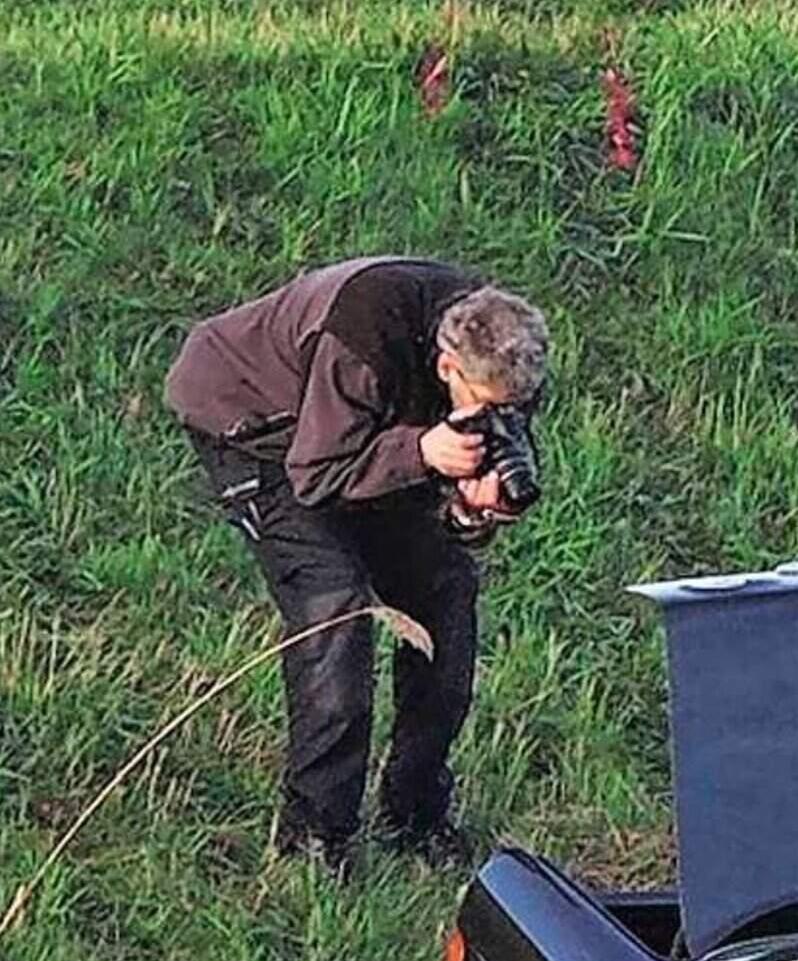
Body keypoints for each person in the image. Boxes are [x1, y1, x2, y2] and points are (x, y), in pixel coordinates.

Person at [165, 257, 549, 870]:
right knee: (334, 606)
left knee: (447, 589)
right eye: (485, 407)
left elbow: (436, 507)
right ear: (447, 368)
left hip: (368, 433)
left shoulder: (502, 353)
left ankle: (416, 813)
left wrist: (471, 511)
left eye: (511, 410)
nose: (497, 421)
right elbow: (316, 475)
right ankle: (315, 836)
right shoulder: (363, 337)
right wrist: (421, 452)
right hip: (259, 427)